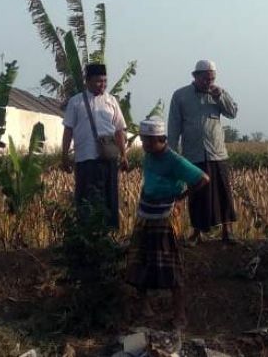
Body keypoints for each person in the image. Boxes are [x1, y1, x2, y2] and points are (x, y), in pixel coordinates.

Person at [126, 116, 210, 329]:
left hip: (165, 215)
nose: (145, 145)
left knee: (170, 265)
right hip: (145, 212)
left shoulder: (174, 160)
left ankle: (179, 314)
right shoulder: (148, 156)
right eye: (144, 141)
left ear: (161, 139)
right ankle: (145, 307)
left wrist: (181, 198)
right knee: (139, 260)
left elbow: (203, 179)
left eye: (149, 141)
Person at [167, 59, 239, 245]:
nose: (209, 82)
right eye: (206, 79)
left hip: (217, 152)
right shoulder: (180, 96)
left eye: (212, 78)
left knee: (223, 192)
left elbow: (233, 113)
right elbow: (174, 126)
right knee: (197, 194)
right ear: (195, 76)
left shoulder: (218, 93)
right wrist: (172, 153)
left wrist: (220, 96)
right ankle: (197, 232)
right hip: (193, 153)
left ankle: (227, 231)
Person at [61, 63, 128, 229]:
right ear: (88, 81)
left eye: (105, 81)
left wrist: (124, 155)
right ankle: (87, 234)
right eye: (99, 81)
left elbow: (119, 130)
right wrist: (64, 155)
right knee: (86, 197)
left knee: (109, 197)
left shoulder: (111, 101)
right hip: (85, 159)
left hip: (108, 159)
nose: (103, 85)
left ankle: (109, 234)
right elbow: (68, 130)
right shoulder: (76, 102)